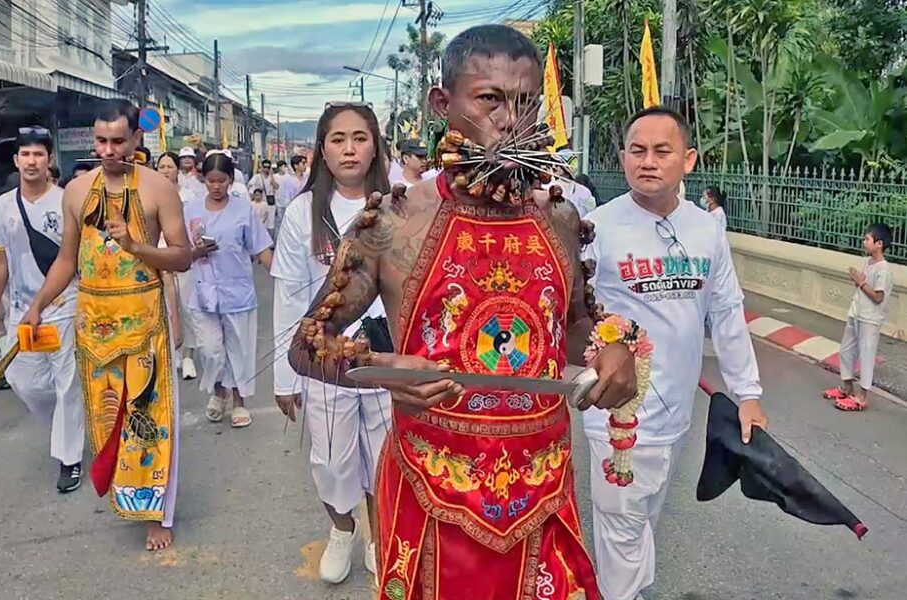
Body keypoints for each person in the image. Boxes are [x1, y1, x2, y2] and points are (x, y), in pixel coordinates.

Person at [289, 26, 639, 600]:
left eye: (526, 103)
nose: (511, 121)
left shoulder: (560, 220)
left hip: (543, 494)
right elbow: (306, 342)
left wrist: (612, 354)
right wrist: (380, 367)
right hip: (431, 495)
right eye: (490, 100)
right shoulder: (394, 224)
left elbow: (576, 328)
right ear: (442, 103)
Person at [584, 106, 768, 600]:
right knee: (622, 528)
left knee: (643, 519)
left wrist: (747, 393)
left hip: (676, 416)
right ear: (623, 158)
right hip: (617, 414)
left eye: (661, 151)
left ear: (687, 160)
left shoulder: (707, 230)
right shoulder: (595, 229)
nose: (648, 161)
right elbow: (573, 314)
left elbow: (727, 312)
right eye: (637, 151)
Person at [23, 101, 192, 551]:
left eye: (118, 141)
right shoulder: (76, 191)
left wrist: (136, 245)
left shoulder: (159, 189)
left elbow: (182, 255)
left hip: (145, 323)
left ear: (137, 140)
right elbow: (67, 259)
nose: (109, 149)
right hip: (93, 322)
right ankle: (131, 496)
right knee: (109, 419)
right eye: (101, 141)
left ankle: (160, 513)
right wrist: (40, 302)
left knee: (152, 420)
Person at [272, 103, 393, 583]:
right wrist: (287, 376)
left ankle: (381, 538)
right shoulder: (304, 213)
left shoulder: (396, 208)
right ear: (322, 149)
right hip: (325, 361)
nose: (349, 148)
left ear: (375, 146)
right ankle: (341, 529)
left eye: (359, 138)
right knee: (330, 458)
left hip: (386, 356)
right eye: (338, 139)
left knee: (385, 455)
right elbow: (288, 294)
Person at [0, 127, 87, 493]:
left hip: (62, 305)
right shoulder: (2, 207)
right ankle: (67, 423)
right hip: (20, 310)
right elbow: (0, 262)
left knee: (68, 382)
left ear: (49, 160)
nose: (31, 161)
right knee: (25, 382)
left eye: (38, 154)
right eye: (25, 155)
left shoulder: (66, 200)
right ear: (16, 161)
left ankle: (69, 458)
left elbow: (74, 259)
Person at [185, 152, 273, 428]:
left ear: (231, 180)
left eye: (222, 181)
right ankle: (218, 390)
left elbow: (261, 249)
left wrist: (284, 277)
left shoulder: (243, 209)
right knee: (210, 350)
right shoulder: (190, 210)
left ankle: (238, 401)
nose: (216, 186)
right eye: (211, 181)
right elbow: (178, 249)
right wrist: (195, 251)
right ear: (203, 180)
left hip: (237, 293)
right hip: (201, 293)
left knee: (239, 351)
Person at [825, 223, 895, 411]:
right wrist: (858, 282)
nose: (864, 242)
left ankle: (861, 397)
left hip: (870, 319)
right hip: (856, 312)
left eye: (867, 239)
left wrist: (861, 283)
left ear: (879, 243)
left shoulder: (884, 270)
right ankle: (846, 386)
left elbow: (878, 297)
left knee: (866, 355)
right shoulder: (867, 262)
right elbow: (862, 285)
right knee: (845, 350)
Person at [156, 151, 200, 380]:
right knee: (164, 311)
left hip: (183, 258)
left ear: (177, 170)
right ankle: (171, 354)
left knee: (187, 308)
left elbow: (194, 228)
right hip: (157, 259)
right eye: (161, 166)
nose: (165, 171)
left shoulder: (189, 196)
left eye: (169, 166)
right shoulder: (148, 195)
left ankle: (189, 356)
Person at [274, 155, 310, 238]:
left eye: (306, 163)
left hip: (307, 210)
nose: (305, 165)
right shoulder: (288, 180)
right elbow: (287, 196)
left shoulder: (307, 178)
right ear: (296, 166)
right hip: (295, 210)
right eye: (303, 163)